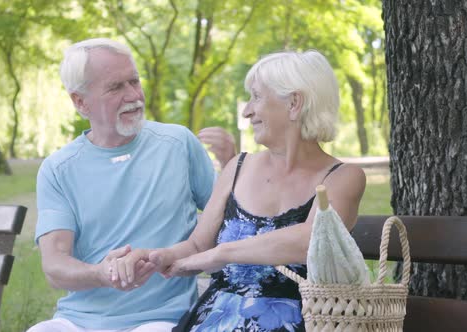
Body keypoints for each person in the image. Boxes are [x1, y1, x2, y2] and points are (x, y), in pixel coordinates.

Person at [114, 50, 366, 331]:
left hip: (296, 319)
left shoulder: (343, 178)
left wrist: (222, 254)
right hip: (214, 319)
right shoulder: (238, 167)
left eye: (256, 97)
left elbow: (310, 241)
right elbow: (198, 246)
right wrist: (159, 256)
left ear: (294, 103)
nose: (247, 110)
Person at [27, 38, 222, 332]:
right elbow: (55, 267)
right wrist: (101, 274)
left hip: (160, 320)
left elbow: (228, 218)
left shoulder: (178, 144)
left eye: (134, 81)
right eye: (116, 87)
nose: (133, 95)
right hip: (76, 322)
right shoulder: (58, 169)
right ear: (80, 101)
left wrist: (232, 163)